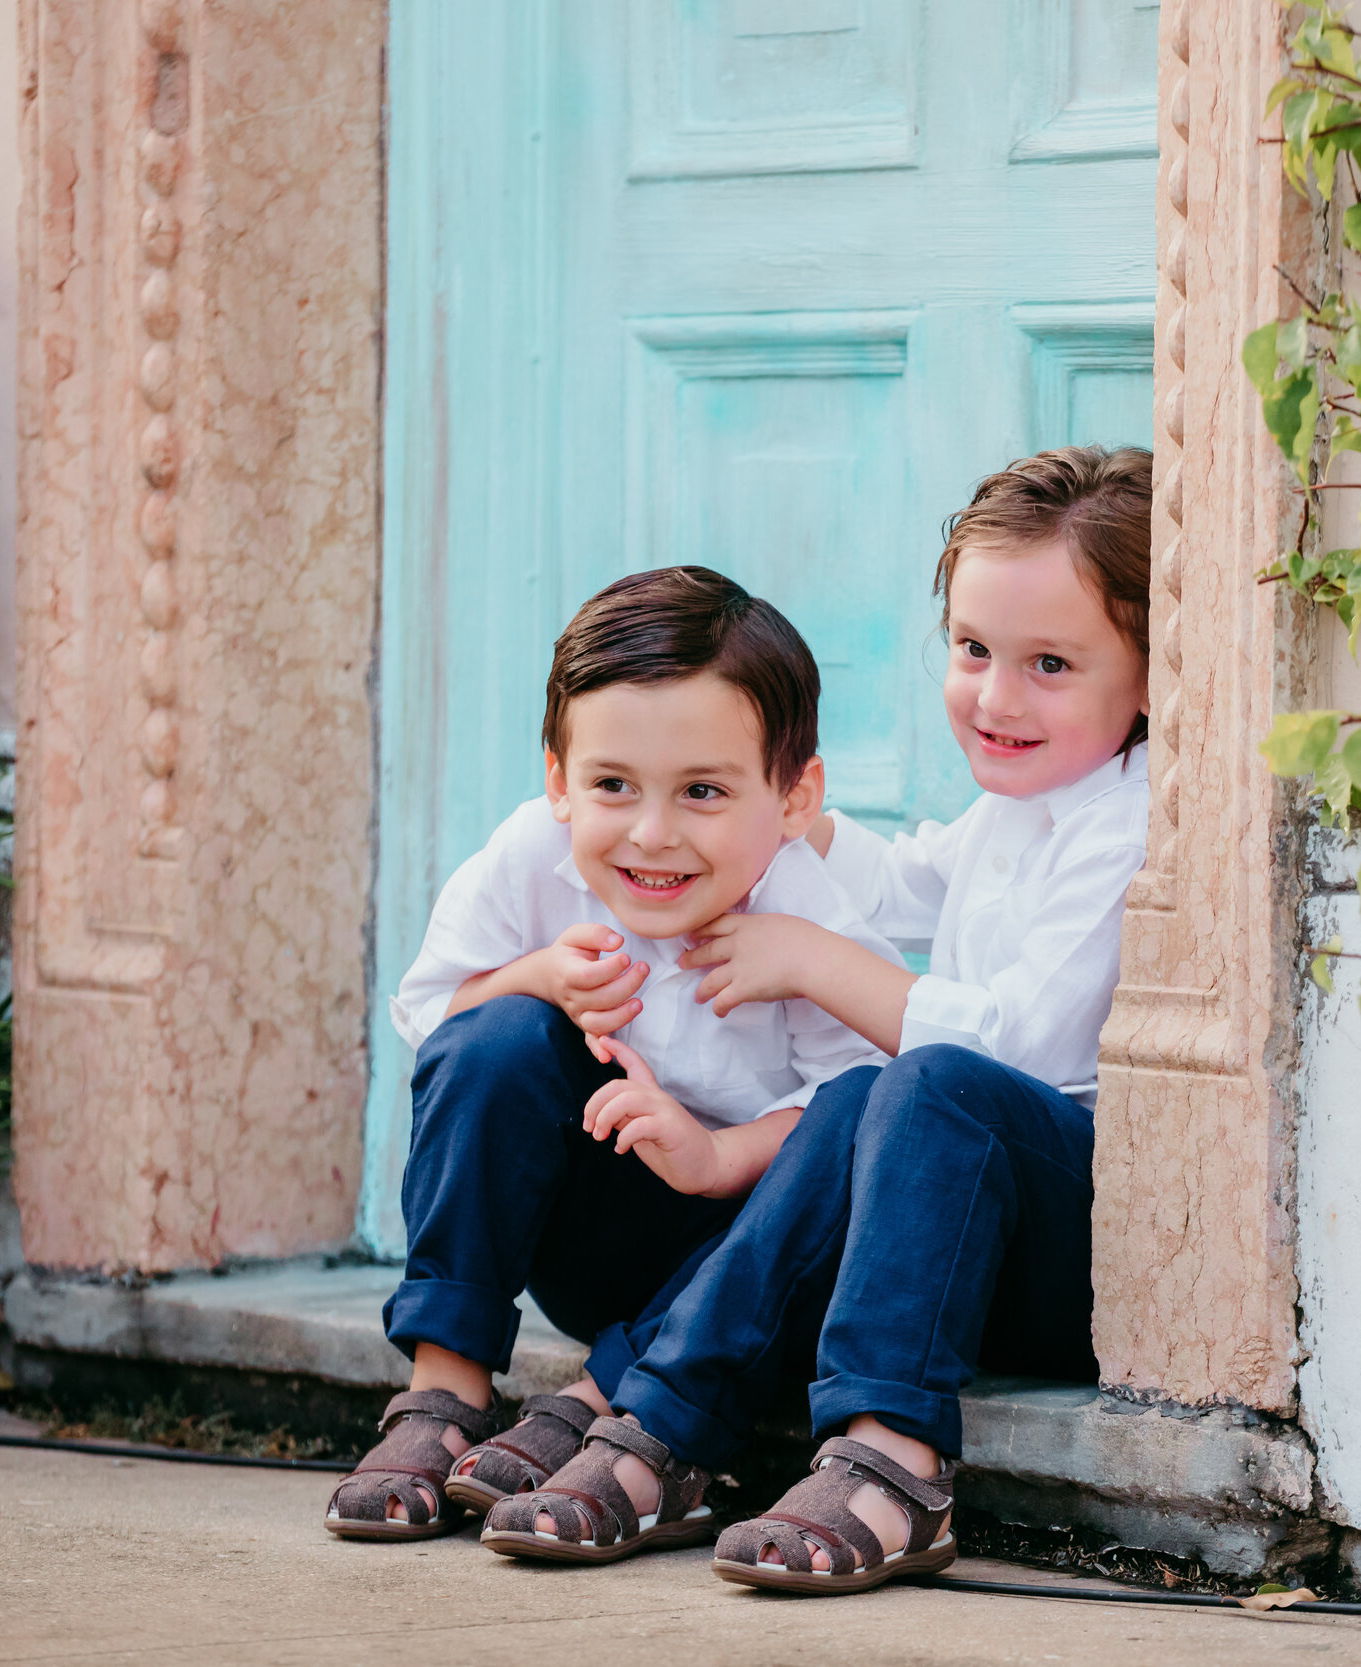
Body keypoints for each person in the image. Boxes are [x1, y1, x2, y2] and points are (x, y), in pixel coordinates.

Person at [476, 446, 1153, 1595]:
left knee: (923, 1086)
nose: (995, 697)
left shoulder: (1125, 824)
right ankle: (659, 1414)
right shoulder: (1020, 808)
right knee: (848, 1104)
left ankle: (891, 1457)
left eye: (1049, 663)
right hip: (947, 1245)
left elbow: (1023, 1048)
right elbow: (903, 881)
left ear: (1149, 674)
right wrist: (764, 808)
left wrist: (815, 959)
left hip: (1071, 1252)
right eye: (972, 650)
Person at [324, 566, 902, 1543]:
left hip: (747, 1268)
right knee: (494, 1035)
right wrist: (537, 976)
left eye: (704, 791)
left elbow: (856, 1116)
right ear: (557, 778)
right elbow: (431, 1015)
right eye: (611, 785)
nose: (652, 833)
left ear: (795, 795)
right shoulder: (529, 859)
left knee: (841, 1166)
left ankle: (592, 1398)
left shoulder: (810, 916)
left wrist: (720, 1156)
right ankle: (443, 1388)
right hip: (598, 1229)